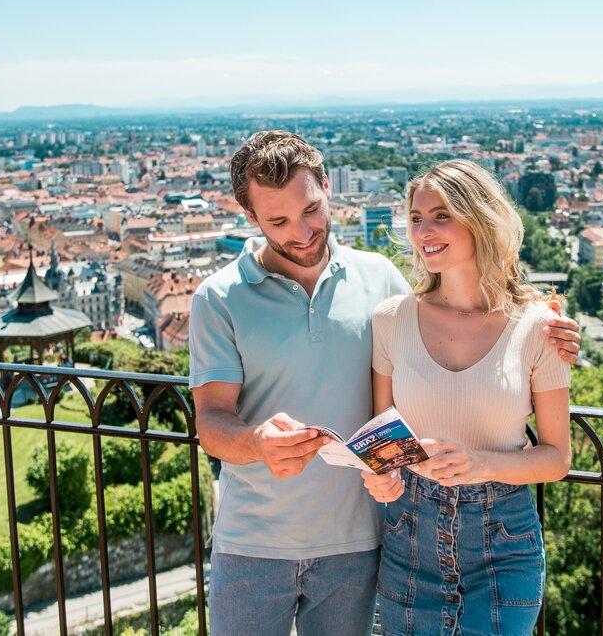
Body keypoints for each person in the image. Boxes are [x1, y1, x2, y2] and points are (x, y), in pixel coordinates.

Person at [189, 132, 580, 636]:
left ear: (328, 187)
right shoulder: (217, 298)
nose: (303, 232)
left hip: (362, 542)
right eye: (279, 222)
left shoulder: (381, 282)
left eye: (310, 210)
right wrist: (257, 442)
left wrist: (555, 335)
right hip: (255, 543)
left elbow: (457, 316)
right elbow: (211, 422)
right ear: (251, 219)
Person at [361, 159, 572, 636]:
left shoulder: (540, 326)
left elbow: (557, 458)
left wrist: (482, 465)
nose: (424, 231)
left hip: (503, 543)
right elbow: (382, 444)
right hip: (408, 537)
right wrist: (381, 479)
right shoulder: (390, 320)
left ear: (478, 219)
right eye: (416, 218)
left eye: (441, 215)